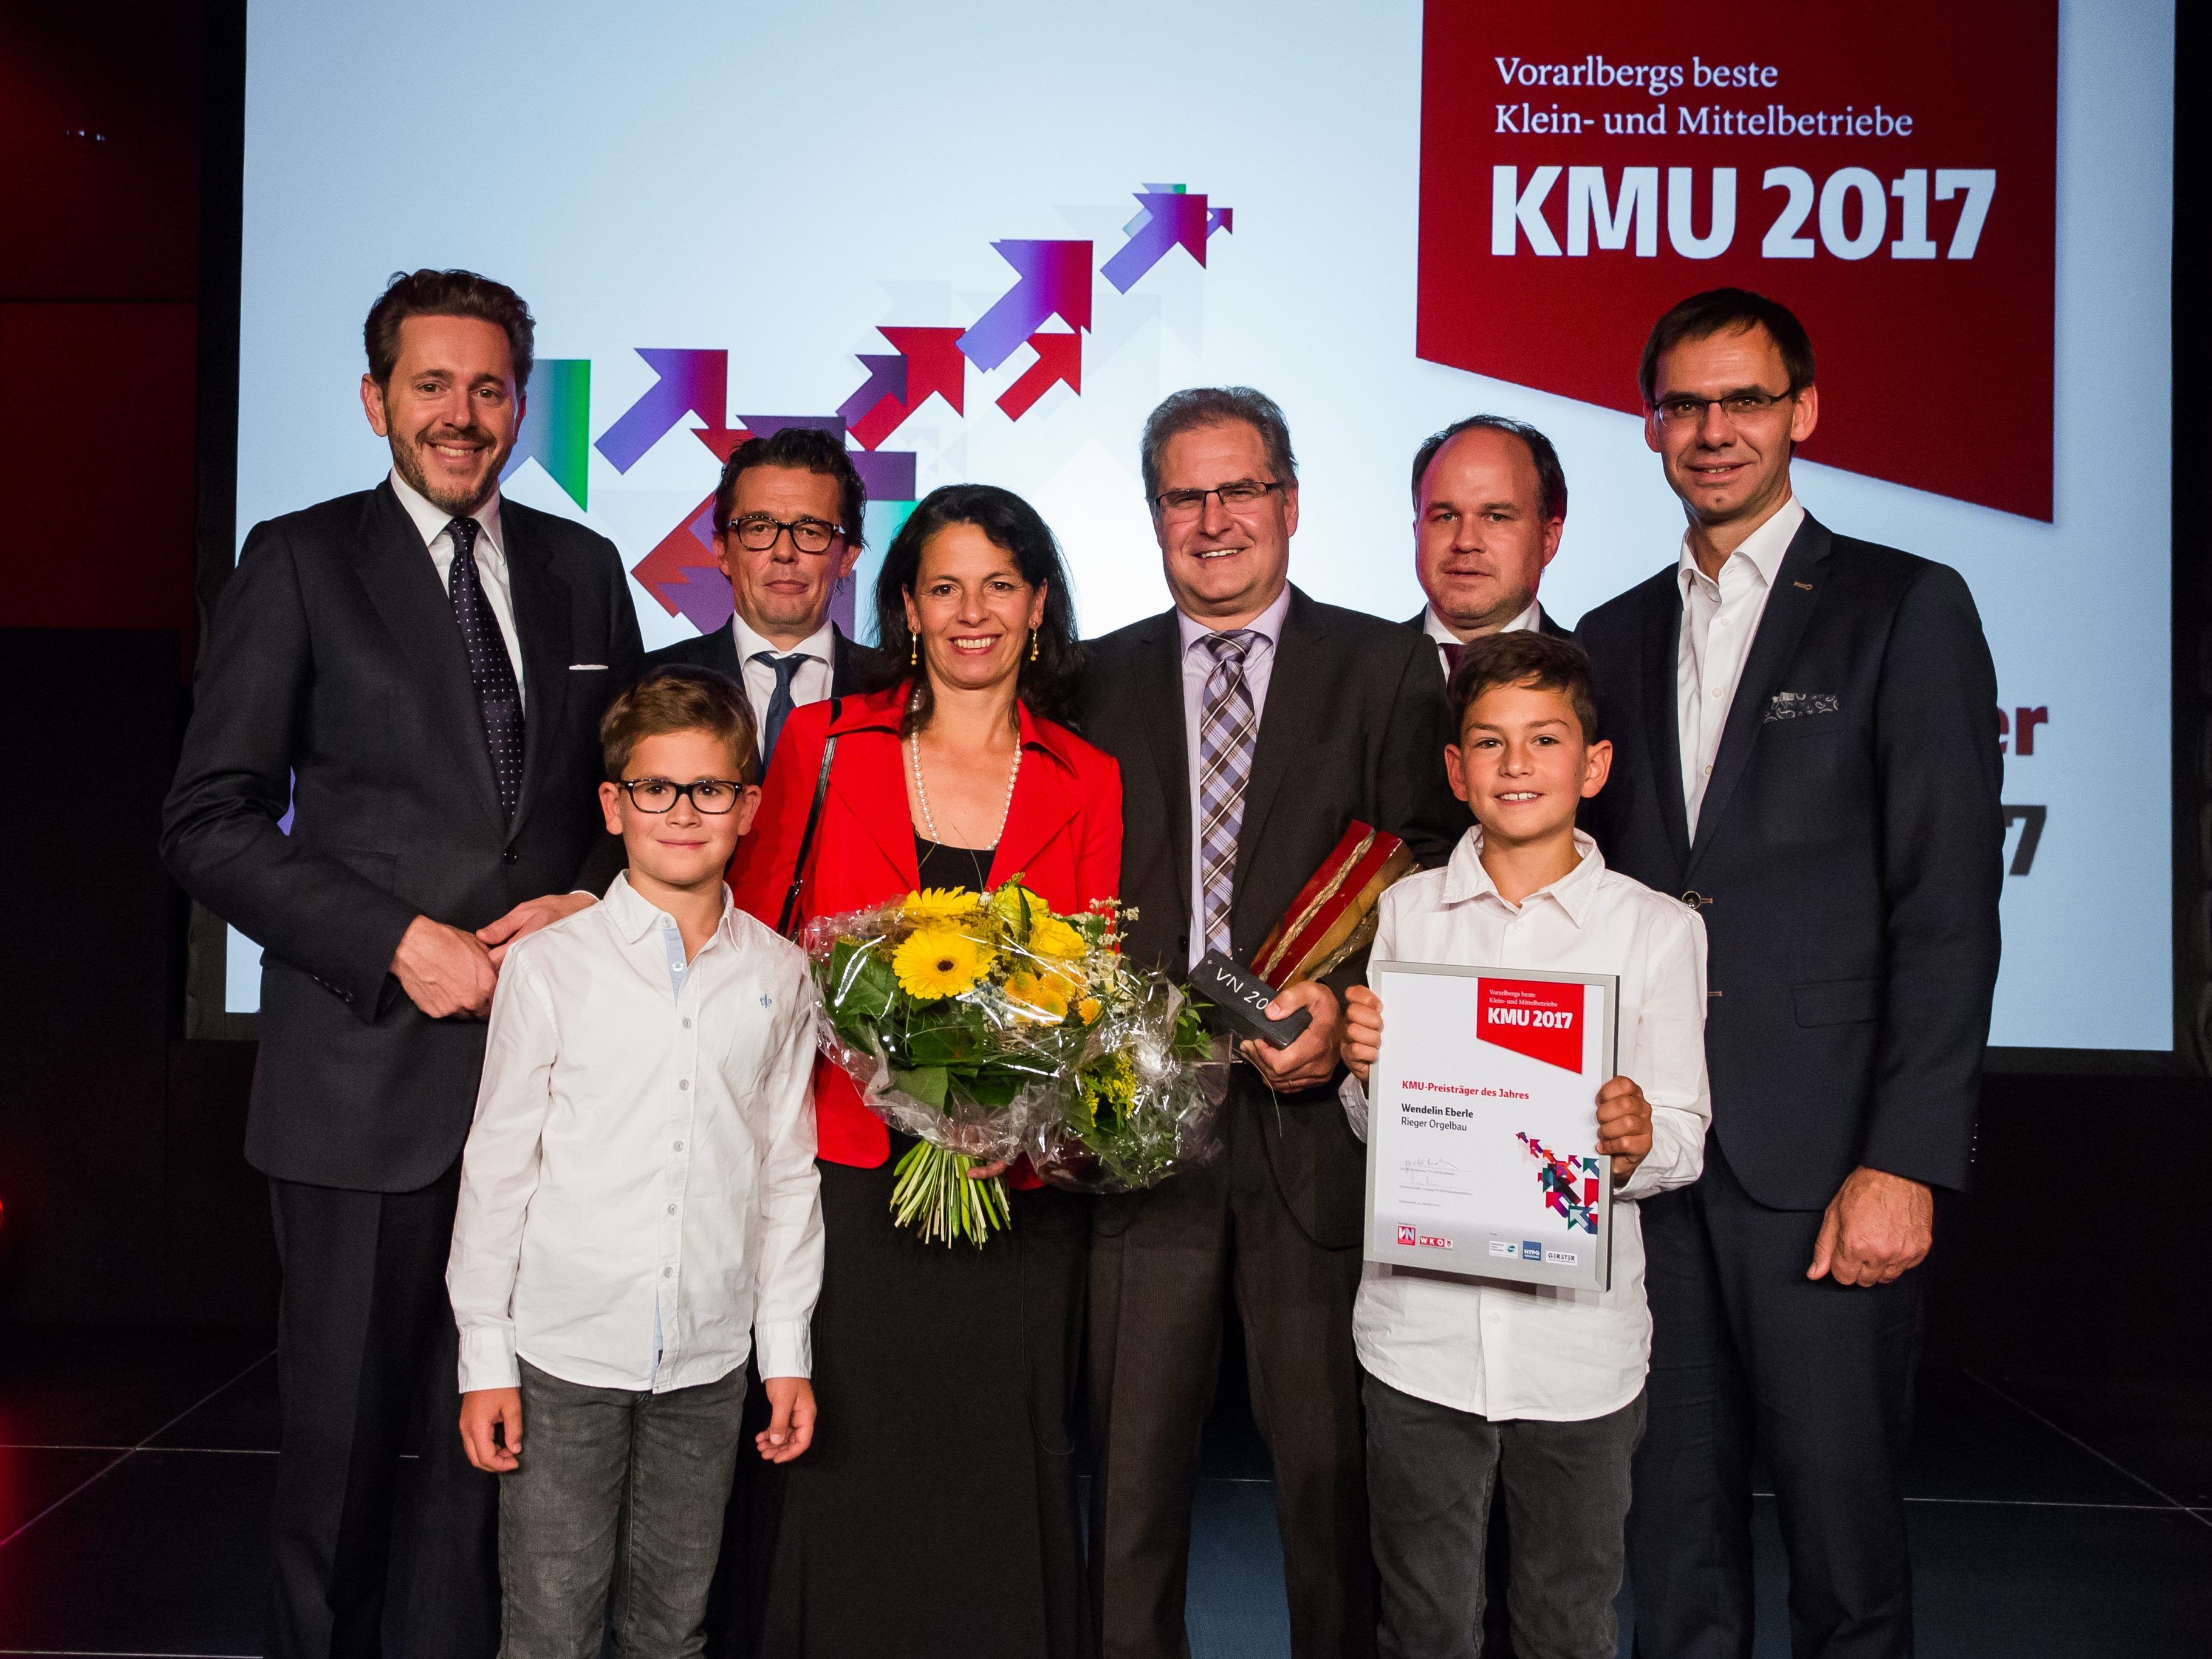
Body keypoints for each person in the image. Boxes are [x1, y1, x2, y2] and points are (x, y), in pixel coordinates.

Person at [161, 268, 643, 1659]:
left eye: (490, 387)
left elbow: (621, 812)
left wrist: (587, 906)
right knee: (342, 1477)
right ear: (377, 400)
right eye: (431, 384)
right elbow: (207, 821)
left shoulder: (582, 571)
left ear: (520, 405)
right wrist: (392, 940)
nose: (462, 413)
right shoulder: (300, 560)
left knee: (489, 1479)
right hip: (361, 1098)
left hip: (547, 1106)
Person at [1576, 289, 2003, 1659]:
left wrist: (1906, 1160)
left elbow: (1945, 911)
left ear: (1800, 413)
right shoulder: (1611, 631)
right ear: (1648, 426)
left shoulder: (1899, 607)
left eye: (1743, 401)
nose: (1713, 431)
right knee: (1670, 1549)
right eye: (1685, 405)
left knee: (1840, 1549)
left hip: (1824, 1162)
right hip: (1651, 1160)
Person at [1078, 387, 1465, 1659]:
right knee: (1128, 1502)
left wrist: (1340, 1000)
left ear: (1288, 504)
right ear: (1152, 518)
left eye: (1238, 489)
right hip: (1139, 1140)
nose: (1213, 519)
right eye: (1184, 496)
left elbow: (1423, 856)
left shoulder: (1384, 665)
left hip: (1316, 1136)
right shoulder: (1091, 679)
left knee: (1328, 1494)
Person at [726, 484, 1121, 1658]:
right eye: (943, 586)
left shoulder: (1083, 773)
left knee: (995, 1466)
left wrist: (1016, 1107)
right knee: (850, 1466)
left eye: (1000, 584)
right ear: (904, 606)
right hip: (850, 1174)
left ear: (1040, 604)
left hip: (1010, 1185)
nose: (972, 612)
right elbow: (753, 935)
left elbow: (1090, 981)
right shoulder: (824, 742)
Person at [1338, 631, 1710, 1659]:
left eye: (1543, 740)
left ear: (1591, 766)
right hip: (1419, 1341)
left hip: (1578, 1355)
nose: (1515, 765)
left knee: (1566, 1622)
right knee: (1422, 1624)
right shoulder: (1408, 912)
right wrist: (1366, 1074)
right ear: (1455, 771)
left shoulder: (1655, 931)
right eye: (1489, 743)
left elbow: (1684, 1132)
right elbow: (1383, 1133)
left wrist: (1637, 1140)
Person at [446, 666, 823, 1659]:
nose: (683, 813)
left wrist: (784, 1348)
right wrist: (484, 1353)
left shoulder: (781, 976)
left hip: (708, 1361)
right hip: (563, 1355)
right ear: (614, 806)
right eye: (656, 789)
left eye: (710, 790)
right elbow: (499, 1167)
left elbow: (786, 1174)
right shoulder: (550, 965)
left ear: (747, 805)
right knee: (551, 1632)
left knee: (672, 1629)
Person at [645, 426, 884, 773]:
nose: (784, 552)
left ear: (847, 557)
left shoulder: (898, 692)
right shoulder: (647, 683)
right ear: (723, 551)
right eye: (759, 528)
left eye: (810, 530)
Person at [1405, 415, 1575, 679]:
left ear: (1548, 540)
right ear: (1417, 533)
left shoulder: (1601, 678)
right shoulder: (1355, 670)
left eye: (1496, 517)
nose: (1466, 542)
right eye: (1446, 516)